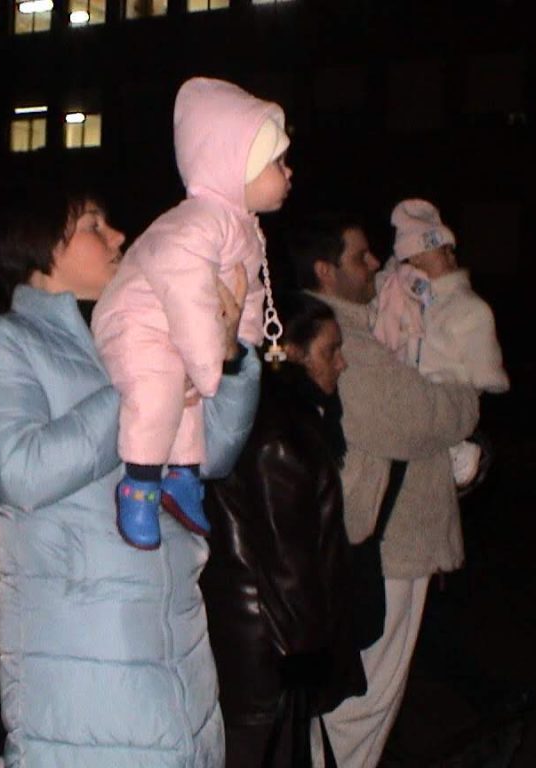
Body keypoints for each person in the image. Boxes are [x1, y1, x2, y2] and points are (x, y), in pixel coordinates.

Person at [0, 186, 262, 767]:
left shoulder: (133, 336)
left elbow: (215, 452)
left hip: (181, 651)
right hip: (85, 665)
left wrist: (232, 353)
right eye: (95, 225)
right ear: (41, 246)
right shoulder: (3, 343)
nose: (119, 236)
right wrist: (140, 391)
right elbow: (19, 472)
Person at [288, 214, 480, 767]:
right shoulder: (342, 339)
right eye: (359, 256)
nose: (375, 263)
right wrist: (466, 382)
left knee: (353, 700)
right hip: (384, 549)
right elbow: (429, 416)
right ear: (325, 271)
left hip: (381, 542)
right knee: (362, 703)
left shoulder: (359, 324)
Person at [92, 76, 292, 550]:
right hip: (136, 320)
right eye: (277, 162)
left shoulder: (242, 228)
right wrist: (209, 365)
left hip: (175, 328)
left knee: (188, 402)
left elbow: (244, 297)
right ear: (234, 166)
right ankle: (139, 483)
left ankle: (182, 476)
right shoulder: (196, 223)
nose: (288, 173)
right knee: (157, 391)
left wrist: (241, 346)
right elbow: (188, 295)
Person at [202, 291, 367, 768]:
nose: (341, 363)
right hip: (266, 650)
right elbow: (288, 561)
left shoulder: (271, 417)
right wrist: (306, 659)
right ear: (291, 352)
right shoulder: (280, 434)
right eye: (330, 351)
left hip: (254, 643)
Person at [372, 199, 509, 488]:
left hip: (446, 394)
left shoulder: (467, 307)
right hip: (406, 394)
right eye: (441, 249)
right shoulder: (395, 293)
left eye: (450, 249)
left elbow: (481, 364)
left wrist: (471, 391)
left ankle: (458, 448)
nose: (451, 255)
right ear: (417, 257)